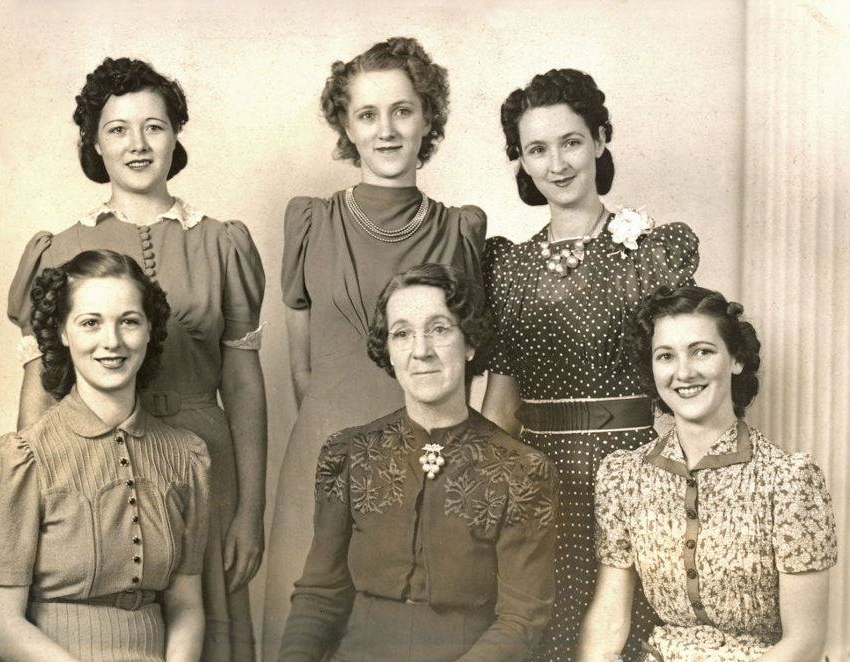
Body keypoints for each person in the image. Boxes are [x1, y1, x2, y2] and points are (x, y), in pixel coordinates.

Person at [6, 57, 266, 661]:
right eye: (117, 129)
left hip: (206, 471)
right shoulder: (61, 249)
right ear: (94, 143)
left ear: (175, 135)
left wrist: (249, 512)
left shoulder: (221, 243)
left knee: (205, 635)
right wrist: (30, 504)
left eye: (154, 126)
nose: (138, 144)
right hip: (91, 469)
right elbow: (40, 391)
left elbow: (246, 387)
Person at [265, 36, 486, 657]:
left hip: (432, 462)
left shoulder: (461, 229)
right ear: (346, 126)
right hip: (320, 454)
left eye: (403, 111)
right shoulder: (310, 221)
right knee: (309, 631)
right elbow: (303, 365)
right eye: (367, 114)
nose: (386, 131)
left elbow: (476, 366)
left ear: (428, 119)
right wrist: (336, 440)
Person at [481, 68, 699, 660]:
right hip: (541, 483)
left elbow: (686, 389)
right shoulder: (507, 268)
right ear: (521, 162)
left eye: (571, 141)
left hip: (634, 473)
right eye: (537, 149)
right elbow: (499, 409)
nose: (557, 163)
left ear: (600, 139)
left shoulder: (650, 253)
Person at [278, 263, 558, 662]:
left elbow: (521, 620)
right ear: (388, 351)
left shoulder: (521, 470)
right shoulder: (350, 454)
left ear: (470, 343)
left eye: (439, 329)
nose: (421, 350)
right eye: (402, 333)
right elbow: (319, 596)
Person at [578, 286, 837, 661]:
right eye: (666, 356)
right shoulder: (623, 476)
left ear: (736, 359)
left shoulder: (790, 480)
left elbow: (805, 643)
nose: (683, 372)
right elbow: (608, 620)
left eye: (702, 351)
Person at [0, 250, 209, 662]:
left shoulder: (186, 456)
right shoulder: (23, 458)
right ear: (63, 333)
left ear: (149, 329)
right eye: (90, 323)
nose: (113, 342)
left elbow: (187, 606)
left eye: (129, 321)